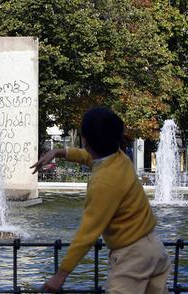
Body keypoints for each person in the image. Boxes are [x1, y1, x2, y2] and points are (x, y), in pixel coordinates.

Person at [31, 107, 171, 293]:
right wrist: (59, 152)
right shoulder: (120, 158)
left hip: (133, 258)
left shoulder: (103, 182)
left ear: (86, 140)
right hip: (154, 249)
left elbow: (87, 233)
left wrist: (60, 275)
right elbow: (89, 157)